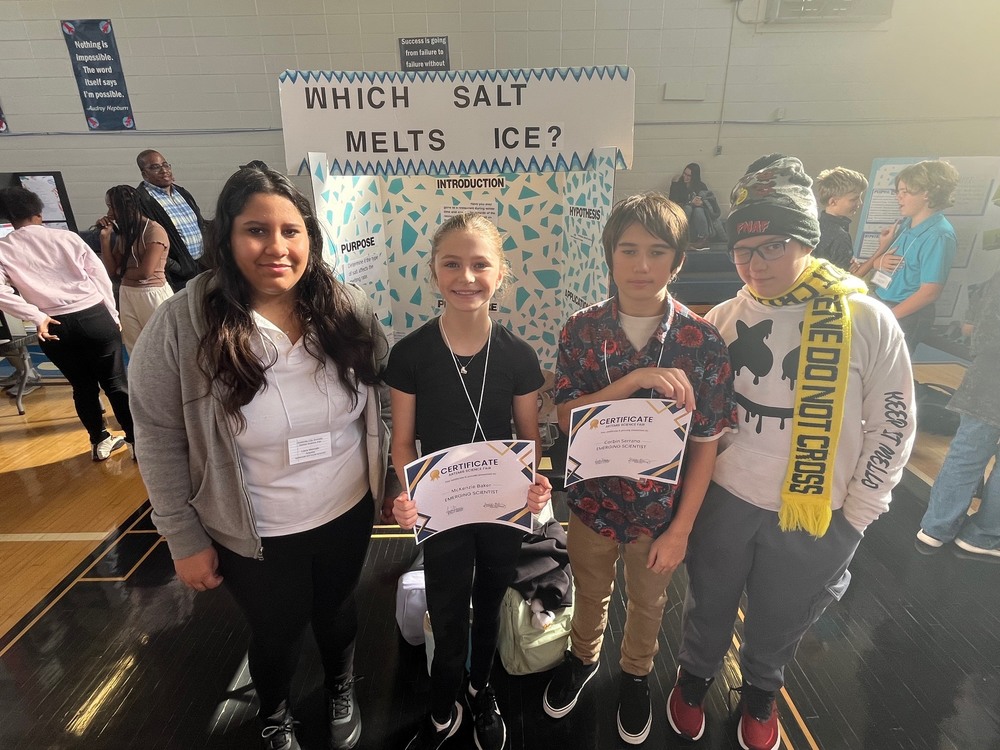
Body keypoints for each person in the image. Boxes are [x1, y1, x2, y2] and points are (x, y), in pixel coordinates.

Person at [129, 167, 389, 750]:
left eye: (291, 231)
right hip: (255, 527)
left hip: (346, 508)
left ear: (310, 239)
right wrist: (182, 537)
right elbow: (158, 433)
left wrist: (395, 476)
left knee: (338, 611)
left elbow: (384, 396)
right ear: (226, 238)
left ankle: (340, 685)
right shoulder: (183, 323)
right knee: (276, 630)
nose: (277, 247)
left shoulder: (346, 306)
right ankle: (275, 712)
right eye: (256, 230)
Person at [666, 155, 916, 750]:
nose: (756, 264)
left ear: (806, 239)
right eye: (743, 252)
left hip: (818, 508)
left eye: (773, 246)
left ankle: (760, 693)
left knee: (783, 616)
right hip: (728, 497)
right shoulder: (724, 319)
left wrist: (859, 513)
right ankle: (694, 680)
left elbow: (894, 423)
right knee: (710, 603)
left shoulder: (865, 319)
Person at [541, 193, 737, 745]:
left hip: (659, 511)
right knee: (590, 586)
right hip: (591, 501)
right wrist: (633, 381)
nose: (642, 265)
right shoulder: (581, 330)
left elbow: (706, 442)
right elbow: (563, 414)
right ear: (609, 255)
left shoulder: (701, 340)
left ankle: (635, 674)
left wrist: (681, 530)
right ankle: (582, 657)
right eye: (628, 249)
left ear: (677, 261)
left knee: (650, 601)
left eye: (658, 252)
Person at [386, 212, 553, 750]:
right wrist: (406, 493)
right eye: (452, 263)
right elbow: (404, 442)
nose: (466, 277)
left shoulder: (519, 357)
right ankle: (444, 694)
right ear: (433, 271)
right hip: (444, 508)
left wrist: (537, 486)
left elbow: (530, 441)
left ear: (501, 272)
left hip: (502, 507)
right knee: (449, 602)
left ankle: (482, 689)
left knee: (492, 595)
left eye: (480, 264)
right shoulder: (410, 354)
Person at [0, 186, 133, 461]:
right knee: (116, 383)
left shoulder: (3, 249)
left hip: (52, 324)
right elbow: (100, 278)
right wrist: (113, 314)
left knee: (82, 386)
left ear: (8, 218)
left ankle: (99, 441)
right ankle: (137, 443)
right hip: (94, 316)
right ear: (39, 212)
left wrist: (36, 316)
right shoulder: (66, 237)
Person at [917, 266, 1000, 559]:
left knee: (965, 453)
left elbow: (971, 324)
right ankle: (984, 535)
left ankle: (935, 529)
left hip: (987, 373)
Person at [866, 160, 960, 354]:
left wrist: (889, 317)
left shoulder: (939, 235)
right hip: (884, 302)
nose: (898, 197)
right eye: (898, 192)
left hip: (904, 315)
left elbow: (930, 292)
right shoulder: (906, 223)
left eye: (905, 192)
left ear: (927, 193)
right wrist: (878, 261)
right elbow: (885, 264)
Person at [100, 184, 173, 354]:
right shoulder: (126, 232)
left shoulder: (154, 230)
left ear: (128, 207)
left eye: (112, 207)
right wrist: (105, 239)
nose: (110, 213)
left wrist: (121, 271)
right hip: (128, 292)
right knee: (135, 348)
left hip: (152, 293)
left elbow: (145, 273)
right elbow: (111, 270)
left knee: (161, 346)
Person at [135, 149, 206, 290]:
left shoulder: (182, 193)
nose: (164, 170)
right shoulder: (141, 201)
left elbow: (200, 224)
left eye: (166, 165)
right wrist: (177, 267)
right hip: (178, 276)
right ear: (144, 174)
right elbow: (145, 242)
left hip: (203, 267)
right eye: (155, 167)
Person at [813, 166, 868, 271]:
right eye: (854, 199)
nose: (860, 202)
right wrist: (876, 259)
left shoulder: (815, 227)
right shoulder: (840, 236)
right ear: (833, 201)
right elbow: (844, 280)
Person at [669, 163, 723, 246]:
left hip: (698, 218)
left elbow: (711, 204)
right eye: (684, 174)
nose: (685, 177)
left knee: (699, 210)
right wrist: (690, 202)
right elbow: (672, 203)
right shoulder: (678, 184)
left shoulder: (701, 186)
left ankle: (703, 237)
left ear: (694, 177)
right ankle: (681, 235)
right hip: (684, 215)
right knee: (688, 208)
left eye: (689, 176)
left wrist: (702, 203)